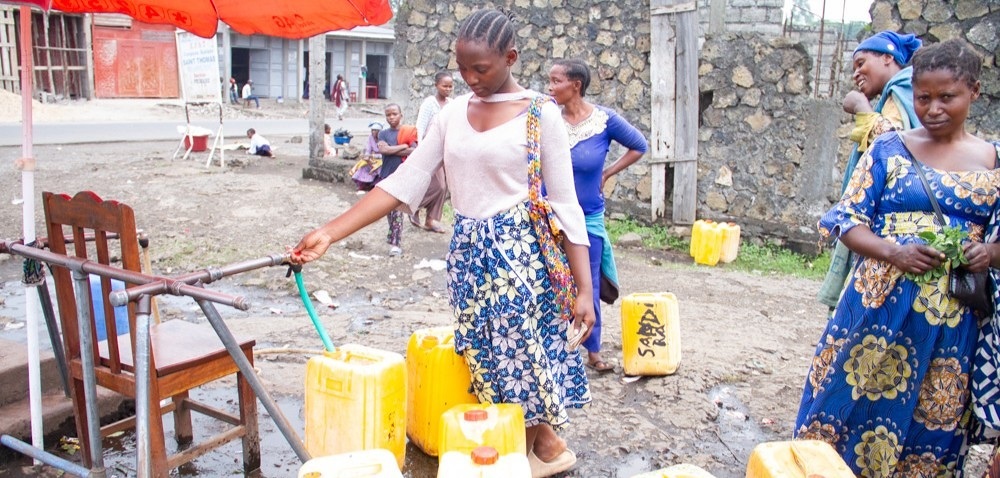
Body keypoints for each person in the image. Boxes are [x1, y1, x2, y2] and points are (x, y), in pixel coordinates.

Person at [290, 9, 593, 477]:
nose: (470, 79)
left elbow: (567, 206)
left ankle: (517, 459)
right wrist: (330, 231)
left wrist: (585, 289)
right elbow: (404, 182)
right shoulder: (452, 114)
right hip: (468, 256)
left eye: (481, 69)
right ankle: (545, 448)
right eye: (463, 68)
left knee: (521, 362)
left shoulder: (541, 114)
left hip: (522, 260)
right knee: (486, 361)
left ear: (510, 58)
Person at [795, 39, 1000, 475]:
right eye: (923, 97)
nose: (933, 108)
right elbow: (847, 222)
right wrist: (895, 252)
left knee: (932, 423)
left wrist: (988, 252)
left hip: (952, 324)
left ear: (975, 92)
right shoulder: (889, 150)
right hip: (876, 307)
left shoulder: (994, 160)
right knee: (843, 404)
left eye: (948, 97)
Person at [547, 58, 648, 374]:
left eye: (555, 81)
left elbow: (639, 145)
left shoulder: (604, 121)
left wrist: (608, 172)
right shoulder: (548, 120)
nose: (549, 88)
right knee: (550, 281)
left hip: (588, 217)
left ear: (575, 85)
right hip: (550, 217)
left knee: (586, 282)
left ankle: (592, 350)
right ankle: (553, 346)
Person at [816, 31, 923, 311]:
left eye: (862, 63)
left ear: (888, 58)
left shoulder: (909, 93)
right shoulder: (892, 98)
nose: (857, 73)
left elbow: (899, 150)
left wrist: (864, 110)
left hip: (897, 224)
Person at [409, 70, 455, 233]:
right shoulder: (430, 103)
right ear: (436, 86)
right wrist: (421, 147)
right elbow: (420, 126)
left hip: (444, 149)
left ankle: (431, 219)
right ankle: (414, 207)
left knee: (443, 187)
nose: (448, 89)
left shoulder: (451, 104)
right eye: (444, 86)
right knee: (438, 185)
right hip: (429, 147)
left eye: (450, 86)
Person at [375, 104, 415, 256]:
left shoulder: (409, 132)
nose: (391, 117)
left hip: (402, 176)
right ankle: (392, 236)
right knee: (388, 210)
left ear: (401, 114)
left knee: (397, 211)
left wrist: (393, 149)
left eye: (394, 114)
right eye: (388, 115)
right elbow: (383, 150)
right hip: (386, 175)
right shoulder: (383, 134)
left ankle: (395, 244)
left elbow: (415, 150)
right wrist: (403, 146)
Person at [350, 121, 384, 193]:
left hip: (382, 158)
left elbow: (385, 152)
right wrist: (366, 156)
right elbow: (368, 149)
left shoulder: (383, 138)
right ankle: (363, 184)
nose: (373, 132)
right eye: (372, 130)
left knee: (378, 167)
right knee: (363, 165)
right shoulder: (370, 137)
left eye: (375, 130)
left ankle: (376, 185)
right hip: (372, 157)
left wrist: (374, 155)